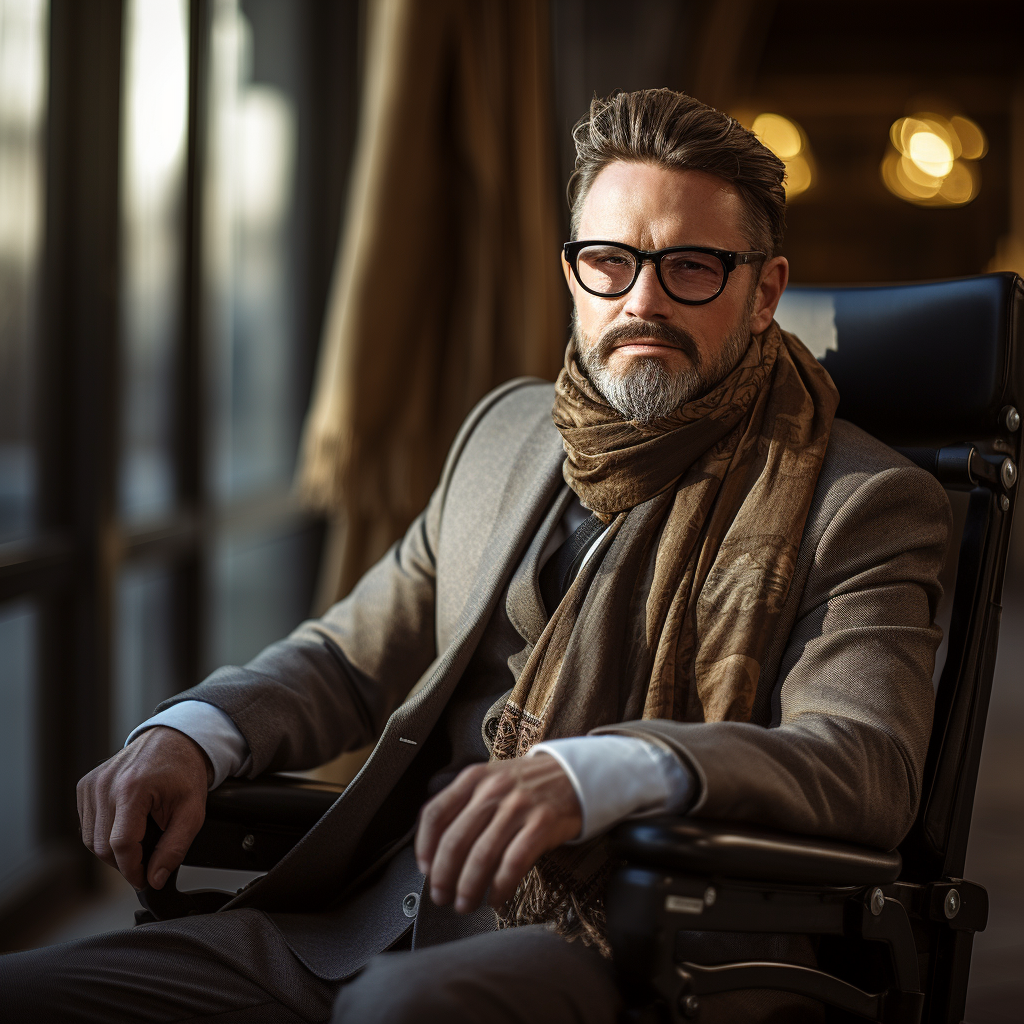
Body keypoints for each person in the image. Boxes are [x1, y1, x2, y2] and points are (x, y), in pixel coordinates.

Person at [1, 88, 950, 1023]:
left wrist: (602, 772)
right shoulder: (506, 432)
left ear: (763, 292)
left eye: (692, 266)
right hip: (359, 923)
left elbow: (859, 762)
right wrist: (196, 731)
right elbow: (349, 655)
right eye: (610, 261)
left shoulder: (861, 502)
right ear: (572, 270)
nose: (643, 301)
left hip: (633, 952)